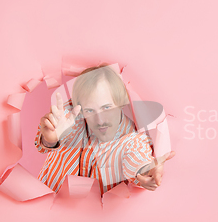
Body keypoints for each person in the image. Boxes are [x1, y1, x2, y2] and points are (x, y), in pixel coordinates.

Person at [34, 64, 174, 195]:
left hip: (91, 218)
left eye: (106, 108)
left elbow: (137, 159)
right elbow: (48, 140)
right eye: (90, 110)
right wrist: (50, 139)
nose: (100, 121)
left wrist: (147, 171)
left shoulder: (132, 139)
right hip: (47, 206)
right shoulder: (71, 117)